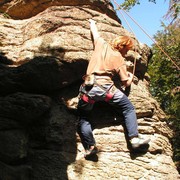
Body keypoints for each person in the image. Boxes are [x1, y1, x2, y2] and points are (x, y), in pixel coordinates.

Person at [77, 19, 150, 158]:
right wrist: (129, 75)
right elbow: (125, 82)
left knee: (84, 117)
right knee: (128, 108)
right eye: (126, 49)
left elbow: (95, 33)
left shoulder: (100, 44)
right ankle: (134, 138)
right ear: (122, 46)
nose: (126, 52)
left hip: (89, 90)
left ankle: (91, 147)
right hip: (107, 91)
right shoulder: (118, 58)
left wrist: (92, 23)